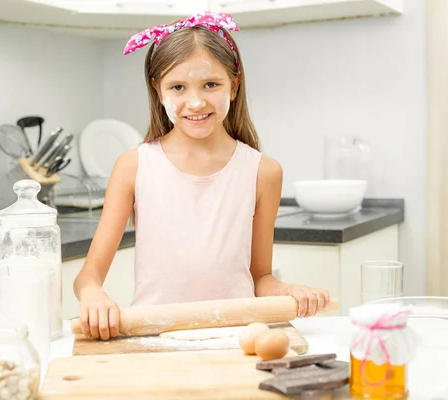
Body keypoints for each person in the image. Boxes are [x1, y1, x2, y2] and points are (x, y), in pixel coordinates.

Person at [73, 12, 330, 340]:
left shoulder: (263, 172)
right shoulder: (133, 166)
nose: (195, 102)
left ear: (234, 86)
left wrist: (287, 289)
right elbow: (87, 276)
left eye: (211, 84)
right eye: (178, 87)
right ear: (158, 91)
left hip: (237, 339)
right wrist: (95, 295)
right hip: (154, 340)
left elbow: (260, 276)